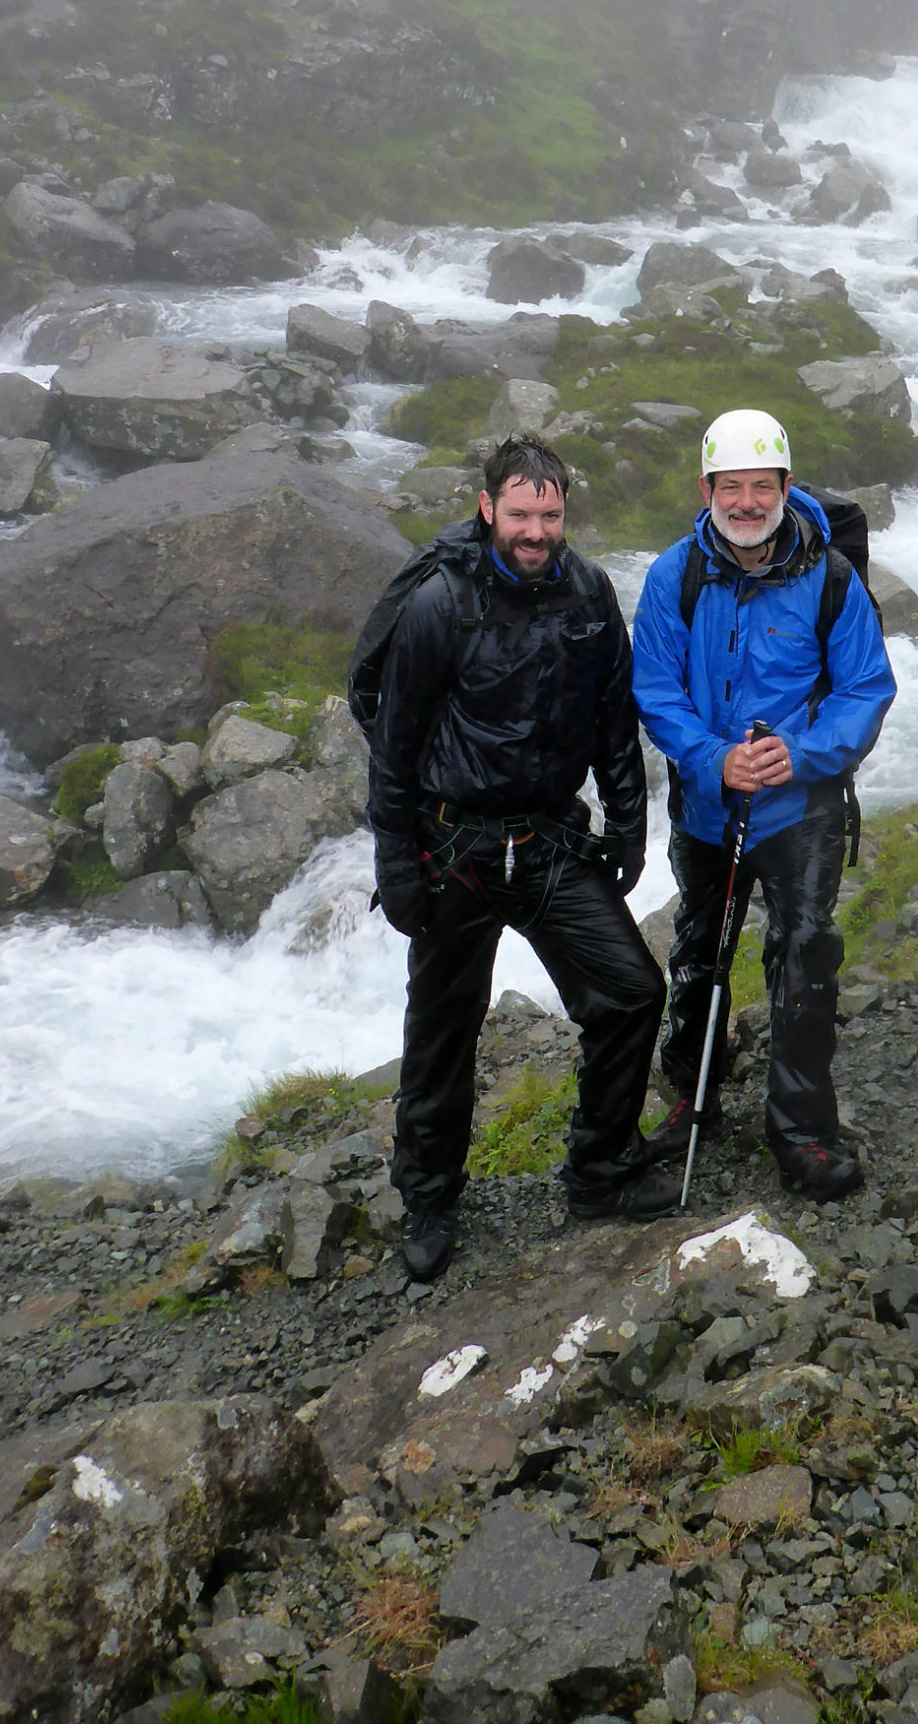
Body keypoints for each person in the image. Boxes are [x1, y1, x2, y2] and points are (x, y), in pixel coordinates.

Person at [361, 435, 676, 1282]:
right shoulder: (438, 603)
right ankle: (429, 1199)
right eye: (521, 513)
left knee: (631, 991)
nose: (536, 530)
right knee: (441, 1035)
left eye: (550, 513)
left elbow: (616, 718)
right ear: (487, 507)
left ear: (563, 512)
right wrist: (396, 867)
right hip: (453, 847)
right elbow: (391, 750)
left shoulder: (587, 593)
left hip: (547, 841)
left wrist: (628, 827)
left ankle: (599, 1171)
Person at [632, 410, 897, 1202]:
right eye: (730, 486)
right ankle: (693, 1095)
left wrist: (800, 754)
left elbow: (865, 689)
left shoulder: (833, 580)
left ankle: (803, 1129)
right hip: (709, 810)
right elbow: (655, 690)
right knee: (698, 955)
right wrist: (715, 759)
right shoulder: (671, 576)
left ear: (785, 486)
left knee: (805, 959)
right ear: (706, 488)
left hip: (799, 812)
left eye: (761, 486)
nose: (746, 502)